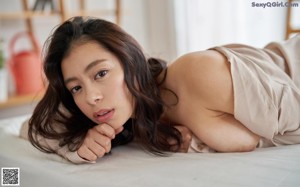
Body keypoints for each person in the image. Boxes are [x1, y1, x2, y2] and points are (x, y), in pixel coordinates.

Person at [20, 16, 300, 164]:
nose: (91, 97)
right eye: (76, 87)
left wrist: (193, 143)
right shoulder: (132, 119)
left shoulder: (197, 74)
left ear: (131, 61)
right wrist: (78, 148)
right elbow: (32, 127)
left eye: (101, 73)